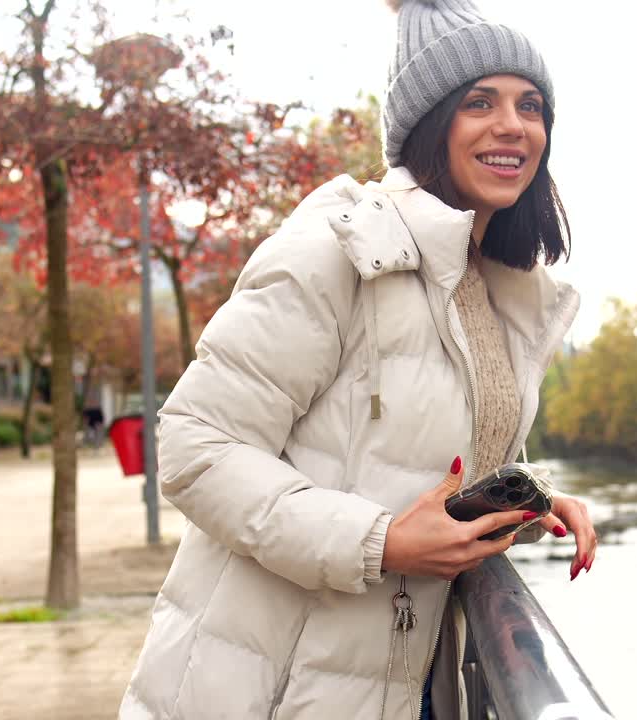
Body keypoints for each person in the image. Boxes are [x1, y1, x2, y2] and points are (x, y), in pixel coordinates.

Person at [120, 1, 597, 717]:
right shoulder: (338, 251)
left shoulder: (490, 288)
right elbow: (193, 445)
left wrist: (523, 498)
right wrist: (380, 542)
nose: (513, 125)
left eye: (531, 105)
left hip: (400, 683)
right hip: (265, 689)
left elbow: (415, 454)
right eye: (479, 102)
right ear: (428, 125)